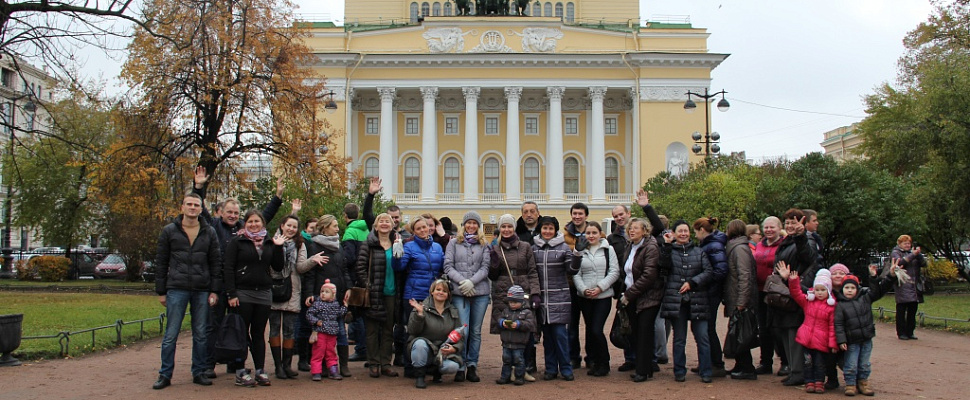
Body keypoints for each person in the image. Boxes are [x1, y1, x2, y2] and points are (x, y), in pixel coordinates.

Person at [192, 167, 283, 378]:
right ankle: (209, 364)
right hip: (219, 283)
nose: (232, 215)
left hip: (241, 288)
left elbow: (263, 216)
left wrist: (277, 197)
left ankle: (234, 363)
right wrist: (198, 188)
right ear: (221, 212)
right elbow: (200, 210)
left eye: (235, 212)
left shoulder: (244, 230)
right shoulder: (213, 226)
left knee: (237, 327)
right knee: (213, 325)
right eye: (229, 212)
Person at [153, 193, 223, 390]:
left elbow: (216, 263)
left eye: (196, 205)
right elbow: (161, 262)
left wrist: (214, 291)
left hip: (202, 288)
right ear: (182, 207)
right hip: (177, 287)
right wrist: (161, 290)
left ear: (201, 209)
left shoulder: (208, 232)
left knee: (200, 333)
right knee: (171, 334)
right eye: (189, 204)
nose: (193, 208)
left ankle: (199, 371)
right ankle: (165, 374)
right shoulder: (169, 231)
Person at [224, 210, 285, 387]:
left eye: (257, 221)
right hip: (243, 292)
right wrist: (231, 293)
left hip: (263, 293)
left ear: (263, 223)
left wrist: (279, 247)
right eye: (250, 221)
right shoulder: (238, 241)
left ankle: (260, 369)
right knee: (242, 333)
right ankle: (240, 370)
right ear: (245, 223)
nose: (253, 224)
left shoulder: (268, 242)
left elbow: (278, 266)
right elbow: (228, 268)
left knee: (258, 334)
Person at [659, 220, 713, 383]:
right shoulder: (668, 251)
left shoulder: (699, 251)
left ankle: (706, 371)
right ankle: (679, 371)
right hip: (677, 301)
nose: (683, 234)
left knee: (702, 337)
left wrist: (692, 282)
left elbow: (708, 271)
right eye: (680, 231)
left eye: (686, 231)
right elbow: (663, 268)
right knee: (679, 338)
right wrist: (667, 247)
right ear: (674, 234)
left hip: (698, 299)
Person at [301, 215, 354, 377]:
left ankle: (342, 365)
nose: (338, 229)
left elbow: (344, 269)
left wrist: (349, 288)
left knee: (341, 331)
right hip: (321, 294)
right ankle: (321, 365)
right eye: (335, 226)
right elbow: (310, 273)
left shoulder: (338, 246)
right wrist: (309, 293)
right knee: (320, 332)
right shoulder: (314, 246)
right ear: (325, 228)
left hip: (338, 294)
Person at [489, 213, 540, 380]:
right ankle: (509, 369)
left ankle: (524, 368)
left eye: (509, 226)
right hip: (504, 292)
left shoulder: (525, 246)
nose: (506, 229)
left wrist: (535, 293)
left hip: (523, 290)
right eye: (503, 226)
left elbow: (532, 271)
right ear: (499, 229)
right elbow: (493, 276)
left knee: (526, 328)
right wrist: (494, 264)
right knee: (507, 331)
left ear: (514, 228)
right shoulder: (495, 248)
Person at [771, 209, 819, 387]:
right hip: (783, 292)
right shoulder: (786, 241)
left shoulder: (806, 240)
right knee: (785, 332)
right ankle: (793, 369)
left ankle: (799, 371)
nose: (790, 226)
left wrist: (800, 236)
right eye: (788, 223)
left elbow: (808, 257)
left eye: (793, 222)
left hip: (796, 290)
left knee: (794, 333)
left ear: (802, 223)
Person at [443, 211, 490, 383]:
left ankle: (472, 365)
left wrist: (472, 282)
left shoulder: (484, 244)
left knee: (476, 332)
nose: (471, 226)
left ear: (479, 225)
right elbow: (448, 266)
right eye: (468, 223)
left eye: (474, 223)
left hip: (480, 293)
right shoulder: (454, 243)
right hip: (459, 292)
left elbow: (485, 268)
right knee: (463, 331)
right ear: (464, 225)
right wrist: (464, 282)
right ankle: (460, 365)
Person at [354, 213, 403, 378]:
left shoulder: (397, 242)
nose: (384, 224)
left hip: (391, 292)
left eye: (387, 221)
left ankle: (386, 363)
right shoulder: (368, 243)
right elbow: (360, 267)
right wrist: (368, 285)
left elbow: (401, 267)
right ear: (375, 226)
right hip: (373, 292)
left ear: (392, 226)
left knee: (389, 329)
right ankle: (374, 363)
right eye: (381, 221)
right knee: (372, 330)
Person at [570, 221, 620, 377]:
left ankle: (604, 362)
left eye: (594, 233)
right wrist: (584, 289)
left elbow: (614, 271)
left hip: (603, 296)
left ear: (600, 234)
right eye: (588, 233)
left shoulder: (608, 249)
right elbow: (575, 272)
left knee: (597, 330)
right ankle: (595, 362)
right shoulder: (579, 250)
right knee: (591, 331)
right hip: (585, 296)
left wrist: (600, 287)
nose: (591, 236)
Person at [397, 217, 445, 377]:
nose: (423, 230)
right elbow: (400, 267)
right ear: (414, 232)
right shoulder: (409, 246)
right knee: (411, 331)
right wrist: (396, 254)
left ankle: (427, 364)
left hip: (432, 295)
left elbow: (443, 267)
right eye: (419, 229)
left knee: (431, 330)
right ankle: (410, 367)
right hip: (413, 295)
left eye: (424, 227)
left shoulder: (437, 247)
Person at [531, 216, 577, 381]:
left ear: (555, 230)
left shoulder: (564, 247)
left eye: (550, 228)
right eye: (545, 228)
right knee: (547, 338)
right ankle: (550, 368)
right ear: (540, 230)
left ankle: (566, 368)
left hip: (559, 296)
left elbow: (572, 270)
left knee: (560, 336)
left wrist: (577, 253)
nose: (547, 231)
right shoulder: (533, 248)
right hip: (542, 298)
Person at [779, 264, 837, 394]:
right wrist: (793, 281)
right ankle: (809, 381)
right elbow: (797, 294)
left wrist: (833, 343)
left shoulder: (831, 307)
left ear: (828, 291)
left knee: (819, 364)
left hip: (821, 341)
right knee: (808, 362)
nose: (820, 293)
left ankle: (819, 382)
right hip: (807, 339)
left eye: (823, 290)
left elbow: (833, 326)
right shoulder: (808, 302)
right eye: (817, 290)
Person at [835, 270, 893, 396]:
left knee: (864, 363)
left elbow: (875, 291)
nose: (849, 290)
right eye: (846, 287)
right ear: (842, 289)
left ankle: (863, 382)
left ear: (857, 289)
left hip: (866, 338)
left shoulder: (865, 299)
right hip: (851, 340)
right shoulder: (840, 305)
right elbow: (838, 324)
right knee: (851, 363)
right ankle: (850, 384)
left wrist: (873, 277)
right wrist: (841, 340)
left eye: (852, 287)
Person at [342, 177, 381, 365]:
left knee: (359, 317)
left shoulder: (350, 231)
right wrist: (371, 195)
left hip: (359, 278)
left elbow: (349, 258)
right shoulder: (367, 228)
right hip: (369, 278)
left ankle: (363, 350)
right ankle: (368, 350)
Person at [618, 218, 662, 382]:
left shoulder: (651, 247)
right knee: (635, 332)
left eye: (636, 228)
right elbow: (627, 271)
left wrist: (629, 294)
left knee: (644, 333)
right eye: (630, 228)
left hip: (648, 296)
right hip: (632, 295)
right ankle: (645, 366)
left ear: (645, 230)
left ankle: (643, 371)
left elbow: (649, 276)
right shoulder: (630, 246)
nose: (632, 231)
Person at [407, 279, 465, 388]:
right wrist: (419, 315)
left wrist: (455, 349)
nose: (441, 292)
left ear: (448, 295)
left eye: (444, 291)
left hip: (442, 352)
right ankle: (420, 376)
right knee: (419, 345)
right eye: (438, 289)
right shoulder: (421, 307)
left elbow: (460, 337)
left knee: (453, 366)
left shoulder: (453, 311)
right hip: (425, 348)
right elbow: (412, 331)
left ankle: (436, 372)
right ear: (432, 292)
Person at [269, 214, 305, 380]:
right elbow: (273, 267)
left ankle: (287, 365)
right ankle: (277, 366)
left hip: (293, 289)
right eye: (288, 225)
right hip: (275, 289)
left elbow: (300, 267)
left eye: (294, 227)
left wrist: (313, 259)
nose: (291, 229)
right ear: (282, 225)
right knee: (275, 327)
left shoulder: (300, 245)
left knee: (290, 329)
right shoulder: (272, 242)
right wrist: (278, 247)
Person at [722, 219, 758, 380]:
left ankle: (747, 367)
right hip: (737, 295)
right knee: (737, 332)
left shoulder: (739, 249)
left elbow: (745, 275)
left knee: (741, 332)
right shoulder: (738, 247)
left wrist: (742, 301)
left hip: (741, 298)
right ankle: (741, 364)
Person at [693, 217, 728, 378]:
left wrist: (704, 281)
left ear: (701, 230)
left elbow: (720, 270)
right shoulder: (712, 243)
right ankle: (708, 361)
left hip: (711, 292)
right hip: (710, 291)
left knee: (708, 329)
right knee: (706, 328)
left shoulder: (713, 245)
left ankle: (716, 363)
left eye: (695, 232)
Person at [752, 216, 786, 376]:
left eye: (772, 227)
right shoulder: (760, 244)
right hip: (760, 291)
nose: (769, 230)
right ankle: (765, 362)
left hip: (776, 292)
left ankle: (786, 362)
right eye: (766, 227)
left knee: (777, 328)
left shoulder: (784, 245)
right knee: (763, 328)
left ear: (779, 228)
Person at [562, 202, 589, 370]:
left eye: (580, 213)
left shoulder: (596, 233)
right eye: (574, 213)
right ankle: (573, 357)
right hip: (571, 285)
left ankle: (592, 357)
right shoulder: (563, 235)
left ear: (586, 215)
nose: (577, 216)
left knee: (592, 325)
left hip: (590, 285)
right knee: (571, 325)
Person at [306, 280, 348, 381]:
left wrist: (345, 307)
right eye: (322, 292)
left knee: (331, 352)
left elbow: (339, 314)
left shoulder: (336, 304)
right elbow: (309, 314)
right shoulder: (317, 304)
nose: (323, 294)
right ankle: (316, 372)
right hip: (320, 332)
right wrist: (316, 321)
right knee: (318, 352)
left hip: (332, 333)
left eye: (326, 292)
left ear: (333, 295)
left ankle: (333, 370)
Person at [496, 285, 537, 385]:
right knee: (506, 360)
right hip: (506, 342)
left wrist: (519, 324)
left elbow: (530, 324)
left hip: (519, 343)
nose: (512, 304)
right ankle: (505, 377)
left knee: (519, 360)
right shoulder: (506, 311)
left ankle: (519, 377)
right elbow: (499, 319)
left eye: (515, 302)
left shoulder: (527, 312)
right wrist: (502, 323)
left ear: (521, 301)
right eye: (510, 302)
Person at [890, 234, 926, 340]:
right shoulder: (896, 252)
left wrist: (918, 254)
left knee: (912, 310)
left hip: (914, 285)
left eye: (909, 243)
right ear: (899, 244)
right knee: (901, 309)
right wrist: (913, 255)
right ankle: (901, 332)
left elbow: (924, 264)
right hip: (902, 284)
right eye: (905, 243)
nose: (907, 245)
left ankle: (910, 331)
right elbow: (900, 263)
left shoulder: (913, 253)